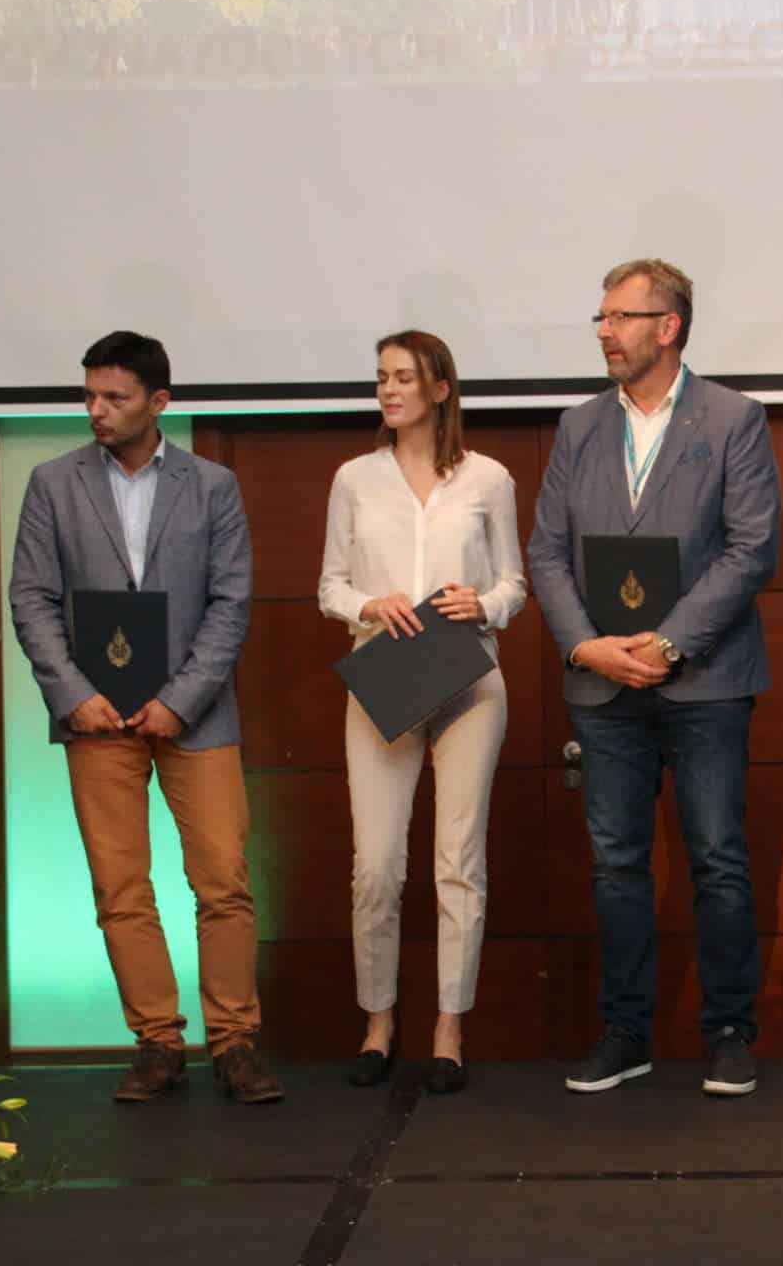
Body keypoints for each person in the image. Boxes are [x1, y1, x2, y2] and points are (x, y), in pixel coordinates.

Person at [8, 329, 283, 1104]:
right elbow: (30, 597)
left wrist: (179, 699)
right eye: (89, 396)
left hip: (197, 717)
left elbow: (231, 602)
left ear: (159, 402)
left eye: (115, 397)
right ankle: (158, 1043)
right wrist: (72, 693)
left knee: (223, 880)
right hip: (94, 716)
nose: (97, 410)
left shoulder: (213, 485)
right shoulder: (52, 483)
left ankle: (234, 1043)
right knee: (119, 886)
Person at [529, 257, 781, 1097]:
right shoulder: (578, 427)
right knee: (615, 865)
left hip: (706, 681)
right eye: (600, 318)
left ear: (668, 328)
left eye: (620, 318)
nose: (604, 332)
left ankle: (730, 1032)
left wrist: (669, 643)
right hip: (603, 685)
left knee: (719, 860)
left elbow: (753, 549)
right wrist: (584, 647)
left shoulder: (734, 419)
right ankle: (625, 1033)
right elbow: (546, 553)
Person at [318, 330, 526, 1095]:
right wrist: (368, 604)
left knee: (457, 860)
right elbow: (329, 587)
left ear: (441, 389)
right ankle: (378, 1023)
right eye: (382, 377)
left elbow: (514, 583)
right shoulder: (354, 478)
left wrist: (486, 603)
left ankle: (448, 1029)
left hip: (469, 678)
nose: (389, 390)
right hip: (385, 680)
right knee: (375, 865)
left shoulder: (488, 478)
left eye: (404, 377)